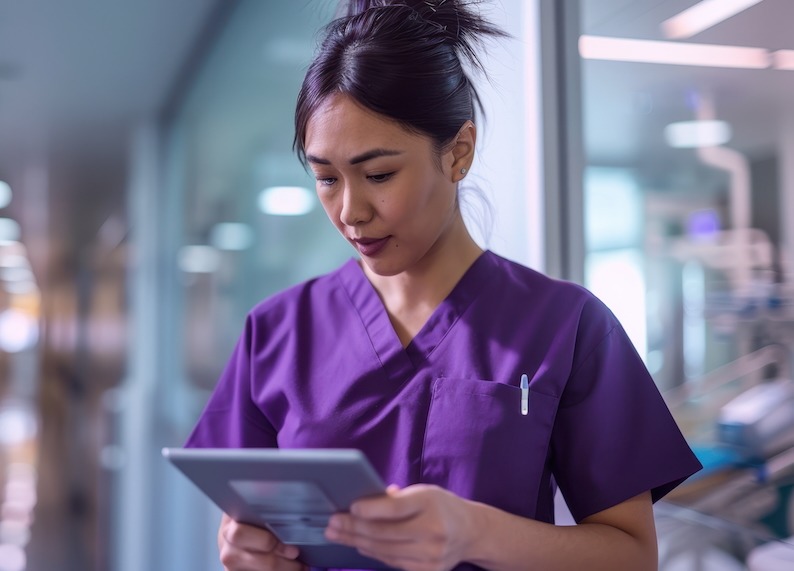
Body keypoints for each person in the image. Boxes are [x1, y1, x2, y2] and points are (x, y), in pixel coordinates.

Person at [185, 1, 703, 570]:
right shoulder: (278, 331)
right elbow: (246, 523)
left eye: (379, 174)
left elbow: (632, 556)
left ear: (458, 152)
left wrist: (474, 532)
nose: (350, 211)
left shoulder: (567, 325)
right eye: (327, 178)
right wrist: (243, 550)